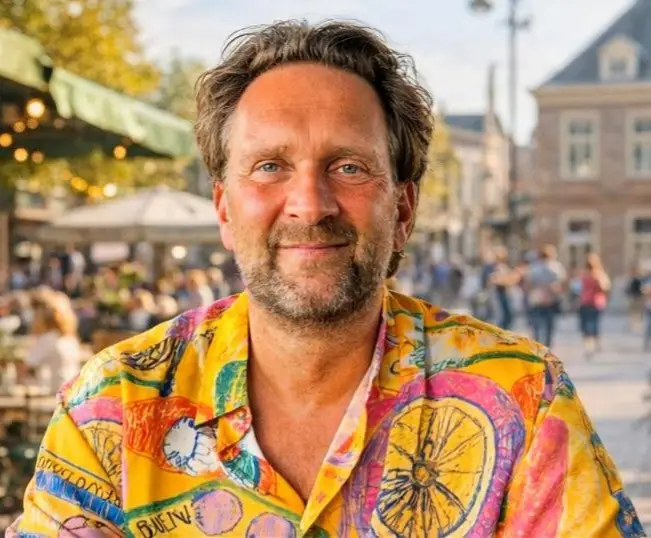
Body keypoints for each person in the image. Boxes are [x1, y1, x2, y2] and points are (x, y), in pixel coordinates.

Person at [9, 20, 644, 538]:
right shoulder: (115, 404)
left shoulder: (522, 399)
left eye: (348, 166)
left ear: (403, 209)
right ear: (224, 209)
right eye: (269, 166)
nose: (310, 205)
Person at [18, 290, 83, 395]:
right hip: (75, 393)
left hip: (55, 395)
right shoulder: (70, 338)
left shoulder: (47, 339)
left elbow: (25, 367)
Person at [525, 244, 567, 348]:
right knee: (549, 327)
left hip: (536, 300)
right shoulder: (556, 267)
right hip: (551, 300)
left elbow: (528, 284)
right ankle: (547, 348)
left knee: (536, 326)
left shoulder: (533, 267)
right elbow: (563, 283)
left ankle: (537, 347)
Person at [578, 253, 611, 359]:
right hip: (596, 302)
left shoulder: (583, 275)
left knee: (586, 325)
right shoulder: (600, 274)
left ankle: (588, 345)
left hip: (585, 302)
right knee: (594, 324)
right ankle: (595, 343)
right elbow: (605, 287)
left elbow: (578, 288)